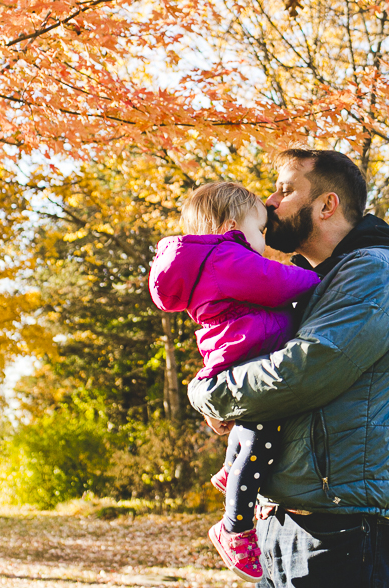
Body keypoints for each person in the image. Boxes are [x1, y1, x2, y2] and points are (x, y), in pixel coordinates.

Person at [188, 149, 389, 588]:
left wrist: (208, 392)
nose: (271, 201)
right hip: (290, 520)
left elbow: (300, 374)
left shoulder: (376, 273)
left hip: (342, 530)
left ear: (326, 205)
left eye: (285, 189)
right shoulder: (318, 284)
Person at [148, 181, 321, 582]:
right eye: (260, 230)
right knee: (262, 436)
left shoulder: (214, 261)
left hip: (238, 354)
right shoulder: (227, 256)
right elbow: (278, 283)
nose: (265, 239)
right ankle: (233, 528)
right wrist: (317, 280)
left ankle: (232, 468)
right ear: (232, 226)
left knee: (256, 434)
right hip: (243, 355)